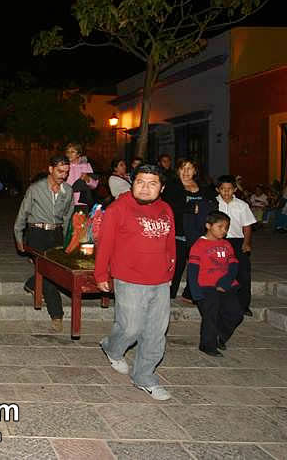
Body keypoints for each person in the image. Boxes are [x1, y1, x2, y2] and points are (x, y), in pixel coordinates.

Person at [95, 164, 175, 401]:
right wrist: (101, 275)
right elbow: (105, 244)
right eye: (140, 182)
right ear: (132, 183)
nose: (145, 188)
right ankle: (112, 347)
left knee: (156, 332)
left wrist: (170, 271)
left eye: (152, 183)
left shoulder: (165, 209)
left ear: (162, 187)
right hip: (129, 277)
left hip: (160, 279)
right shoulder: (118, 208)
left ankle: (145, 377)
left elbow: (170, 242)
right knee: (130, 327)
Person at [14, 156, 74, 332]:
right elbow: (22, 214)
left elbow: (68, 217)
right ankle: (57, 314)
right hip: (37, 233)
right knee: (49, 273)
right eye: (60, 171)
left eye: (66, 172)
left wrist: (67, 240)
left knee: (52, 270)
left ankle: (32, 284)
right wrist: (19, 238)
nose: (63, 175)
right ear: (50, 169)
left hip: (56, 234)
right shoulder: (35, 189)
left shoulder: (68, 191)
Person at [187, 210, 243, 357]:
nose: (224, 231)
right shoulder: (198, 245)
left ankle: (220, 336)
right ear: (208, 226)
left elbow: (233, 265)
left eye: (226, 227)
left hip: (227, 285)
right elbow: (192, 271)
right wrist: (195, 293)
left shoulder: (227, 244)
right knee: (210, 316)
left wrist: (225, 281)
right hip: (206, 286)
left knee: (236, 313)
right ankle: (207, 345)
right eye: (220, 227)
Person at [161, 158, 217, 301]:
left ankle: (190, 293)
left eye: (190, 168)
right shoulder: (172, 186)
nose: (186, 172)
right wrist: (191, 208)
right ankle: (169, 295)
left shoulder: (203, 186)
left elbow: (214, 204)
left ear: (195, 170)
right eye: (182, 168)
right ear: (178, 170)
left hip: (199, 234)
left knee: (198, 265)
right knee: (176, 266)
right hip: (178, 234)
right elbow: (168, 207)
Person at [215, 175, 257, 317]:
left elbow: (247, 226)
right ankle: (219, 303)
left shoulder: (242, 205)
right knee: (219, 272)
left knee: (243, 273)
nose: (226, 192)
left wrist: (246, 243)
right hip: (219, 242)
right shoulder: (214, 204)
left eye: (229, 189)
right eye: (223, 189)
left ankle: (243, 305)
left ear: (234, 189)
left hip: (238, 241)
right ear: (218, 189)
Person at [64, 142, 98, 208]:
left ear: (78, 154)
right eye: (67, 152)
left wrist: (88, 179)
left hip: (82, 202)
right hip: (66, 202)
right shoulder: (63, 166)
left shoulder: (86, 166)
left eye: (72, 152)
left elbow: (95, 185)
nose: (69, 154)